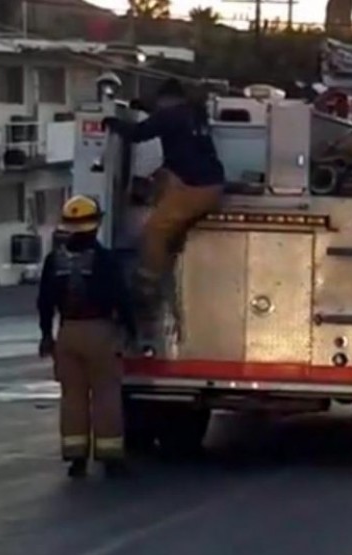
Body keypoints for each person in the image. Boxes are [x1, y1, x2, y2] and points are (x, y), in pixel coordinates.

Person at [37, 195, 137, 479]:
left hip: (67, 332)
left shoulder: (53, 261)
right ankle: (110, 457)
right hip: (100, 331)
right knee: (106, 394)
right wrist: (130, 329)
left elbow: (44, 301)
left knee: (72, 397)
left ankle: (76, 458)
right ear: (96, 225)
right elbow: (121, 296)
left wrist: (46, 334)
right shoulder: (105, 259)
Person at [102, 77, 225, 298]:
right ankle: (168, 265)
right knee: (163, 179)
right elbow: (164, 123)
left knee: (153, 231)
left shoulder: (170, 116)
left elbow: (138, 134)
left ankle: (149, 283)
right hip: (212, 185)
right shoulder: (193, 114)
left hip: (194, 189)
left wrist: (112, 123)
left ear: (166, 99)